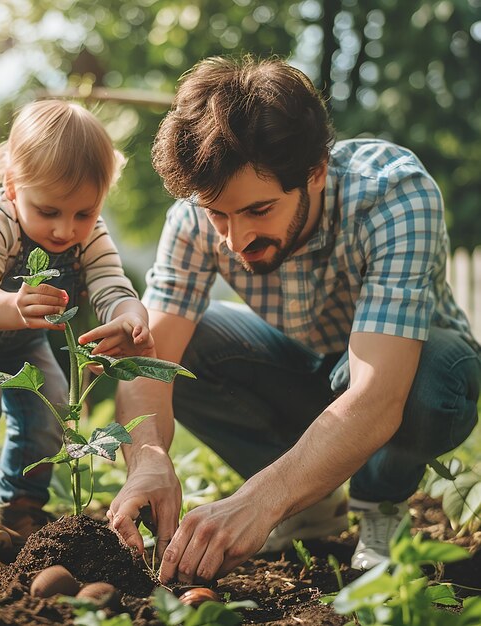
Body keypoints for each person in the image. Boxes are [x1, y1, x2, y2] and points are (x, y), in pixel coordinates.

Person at [107, 55, 481, 582]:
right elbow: (150, 364)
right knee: (176, 347)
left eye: (259, 211)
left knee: (432, 379)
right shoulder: (194, 219)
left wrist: (258, 500)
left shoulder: (393, 195)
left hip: (398, 376)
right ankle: (309, 505)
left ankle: (380, 504)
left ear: (316, 172)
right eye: (219, 214)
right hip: (309, 374)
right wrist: (146, 456)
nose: (235, 240)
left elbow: (376, 396)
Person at [0, 99, 154, 561]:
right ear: (11, 186)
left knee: (51, 405)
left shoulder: (90, 235)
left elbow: (110, 285)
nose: (66, 230)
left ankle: (21, 507)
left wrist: (130, 314)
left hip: (19, 329)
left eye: (84, 213)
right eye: (49, 211)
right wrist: (13, 305)